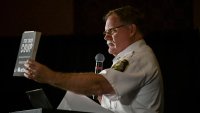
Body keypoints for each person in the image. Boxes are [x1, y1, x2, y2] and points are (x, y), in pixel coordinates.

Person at [24, 5, 164, 113]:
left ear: (132, 30)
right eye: (105, 32)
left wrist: (50, 76)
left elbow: (98, 85)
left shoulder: (138, 57)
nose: (106, 37)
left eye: (112, 31)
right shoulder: (128, 57)